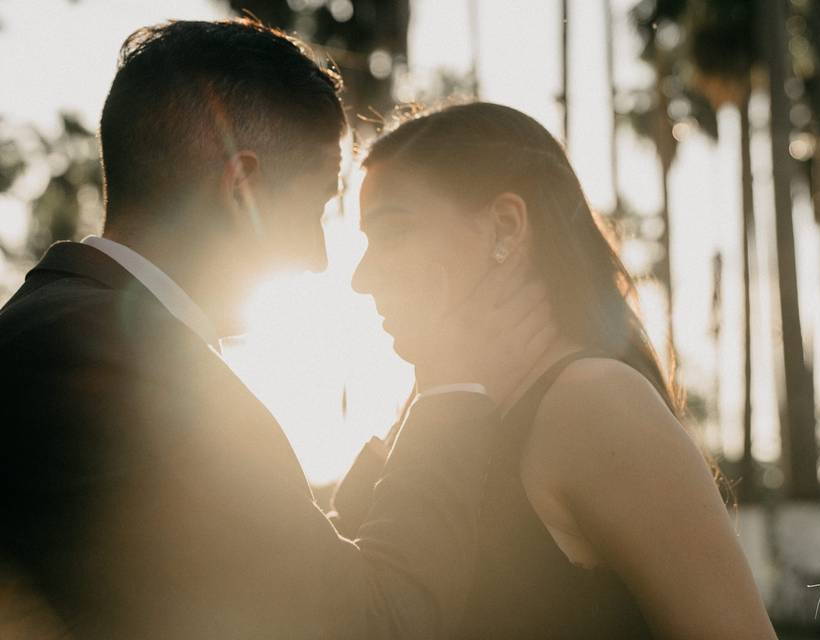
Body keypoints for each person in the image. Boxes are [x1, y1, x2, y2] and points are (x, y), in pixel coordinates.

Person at [0, 21, 555, 639]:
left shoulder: (62, 329)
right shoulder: (132, 374)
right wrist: (454, 384)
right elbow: (374, 623)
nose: (321, 256)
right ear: (244, 190)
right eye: (317, 203)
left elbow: (287, 572)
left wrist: (397, 435)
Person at [342, 102, 780, 639]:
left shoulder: (596, 403)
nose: (362, 277)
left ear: (506, 225)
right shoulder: (439, 410)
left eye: (392, 232)